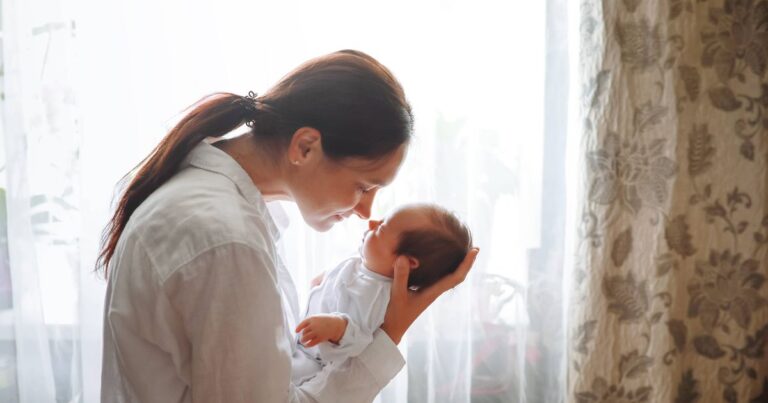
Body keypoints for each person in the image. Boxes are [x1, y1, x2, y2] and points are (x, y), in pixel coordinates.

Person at [97, 49, 479, 403]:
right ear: (305, 148)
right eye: (364, 186)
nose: (366, 211)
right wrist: (390, 333)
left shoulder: (219, 207)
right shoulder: (226, 238)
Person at [291, 203, 473, 386]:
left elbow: (361, 340)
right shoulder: (363, 264)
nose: (371, 223)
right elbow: (338, 279)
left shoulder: (377, 295)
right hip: (299, 342)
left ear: (408, 262)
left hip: (312, 365)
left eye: (381, 228)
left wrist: (337, 327)